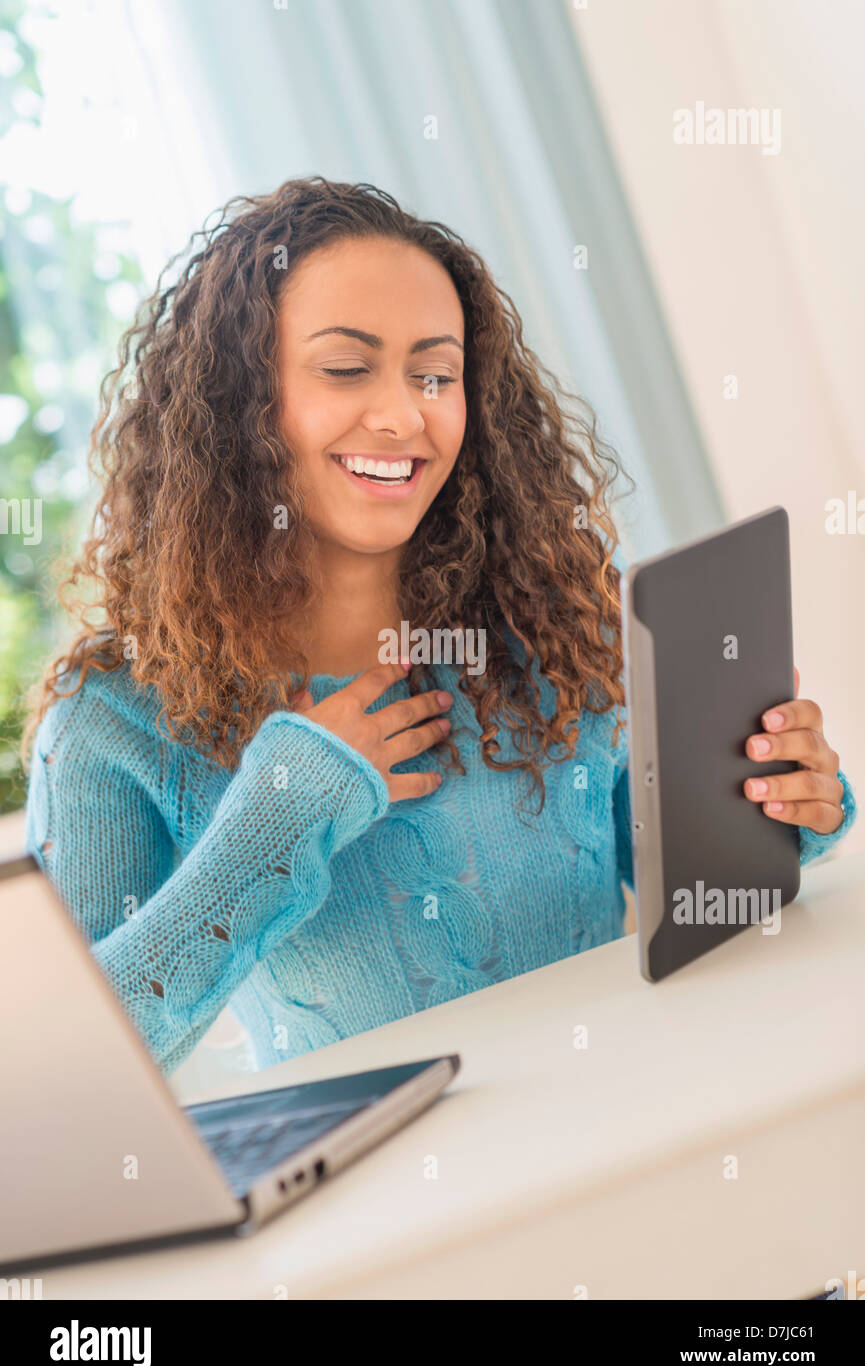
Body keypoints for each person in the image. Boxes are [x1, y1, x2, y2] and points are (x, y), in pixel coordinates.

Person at [21, 177, 856, 1076]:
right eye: (346, 367)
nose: (403, 415)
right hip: (406, 1209)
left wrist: (775, 816)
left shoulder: (557, 628)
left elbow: (685, 905)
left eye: (436, 374)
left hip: (629, 1132)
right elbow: (78, 1073)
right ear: (237, 403)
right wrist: (287, 805)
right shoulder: (116, 717)